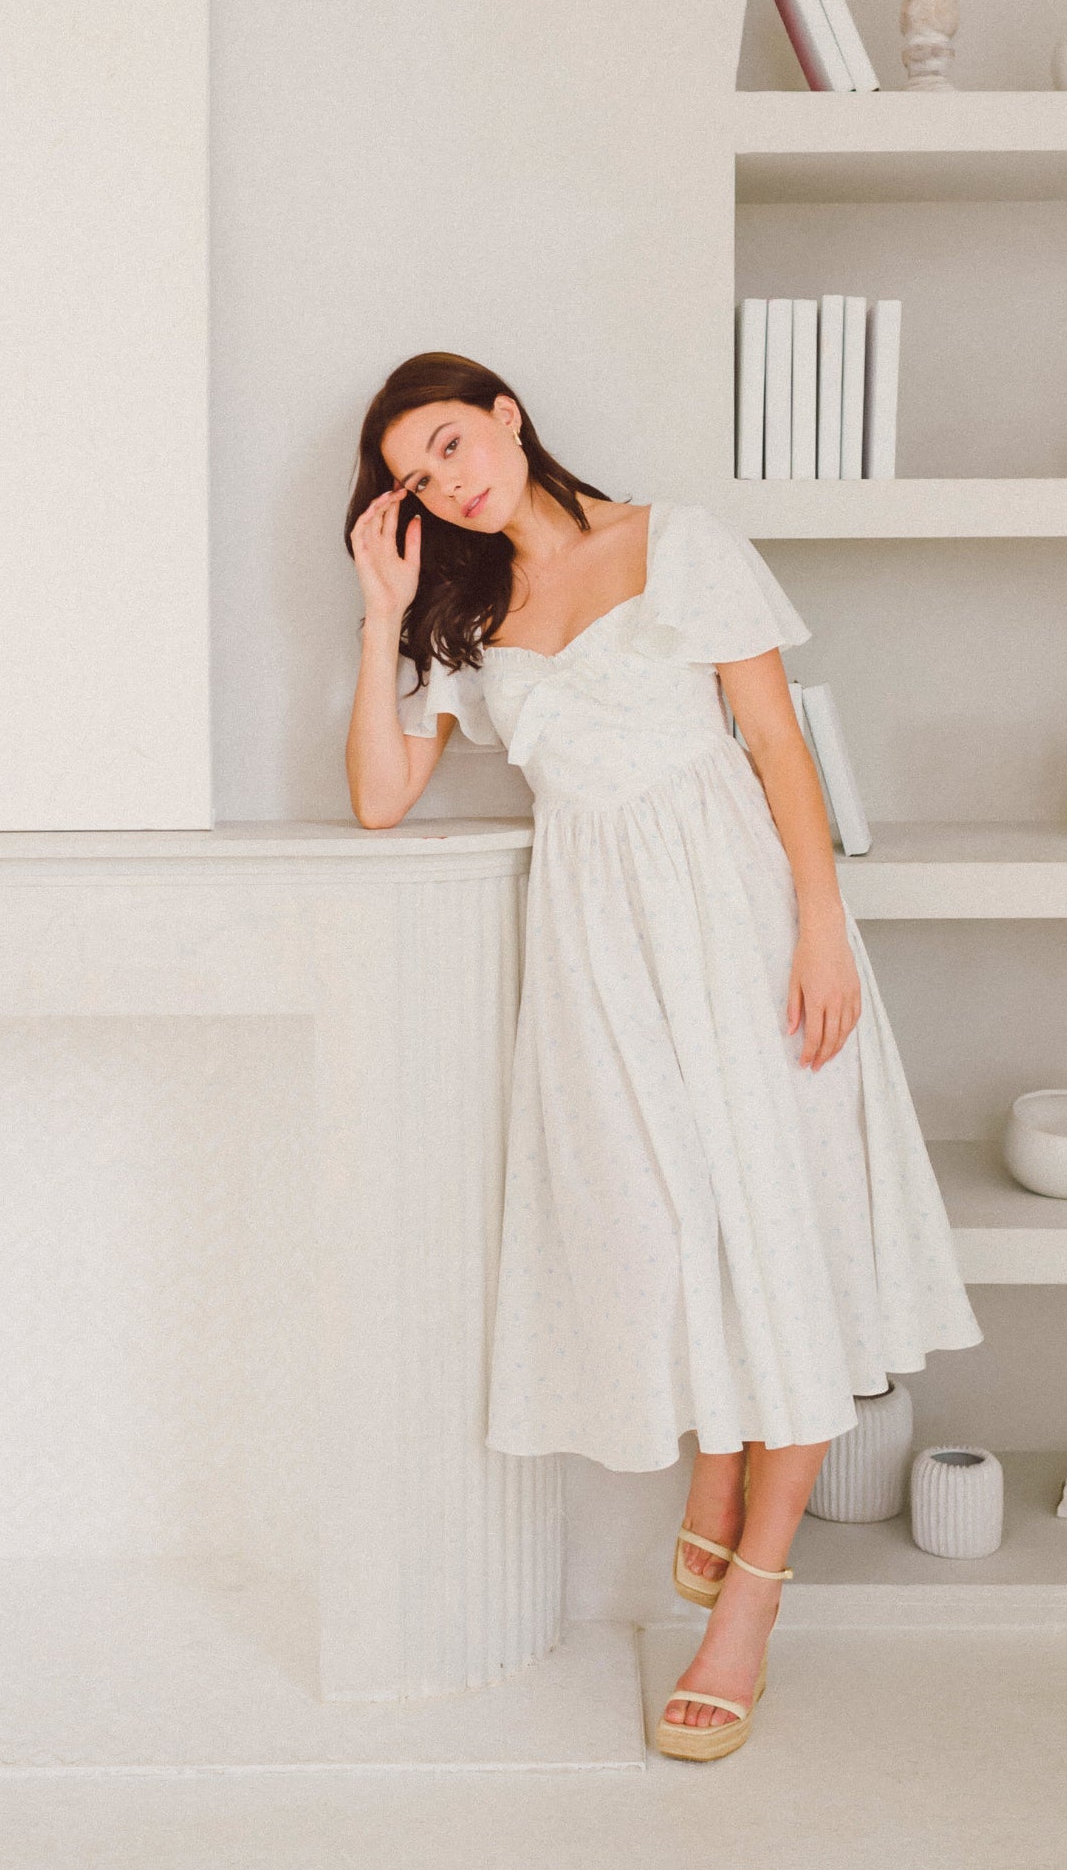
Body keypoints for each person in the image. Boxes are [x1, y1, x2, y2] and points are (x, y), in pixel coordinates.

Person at [343, 351, 984, 1762]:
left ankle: (747, 1605)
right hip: (597, 951)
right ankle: (715, 1451)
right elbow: (381, 800)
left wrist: (823, 931)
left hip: (747, 920)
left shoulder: (677, 542)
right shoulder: (463, 613)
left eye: (454, 440)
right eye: (418, 473)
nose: (450, 478)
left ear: (507, 415)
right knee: (660, 1228)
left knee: (788, 1228)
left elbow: (775, 745)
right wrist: (381, 612)